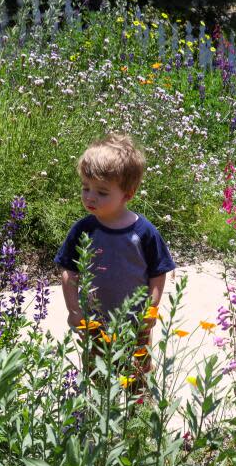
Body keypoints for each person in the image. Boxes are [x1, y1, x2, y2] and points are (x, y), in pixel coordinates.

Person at [55, 134, 175, 374]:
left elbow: (158, 273)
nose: (90, 197)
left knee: (137, 375)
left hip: (135, 322)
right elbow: (68, 271)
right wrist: (74, 310)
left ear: (127, 194)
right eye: (85, 188)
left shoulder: (144, 233)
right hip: (94, 322)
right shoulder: (83, 230)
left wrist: (151, 310)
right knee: (97, 375)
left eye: (102, 192)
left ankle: (138, 411)